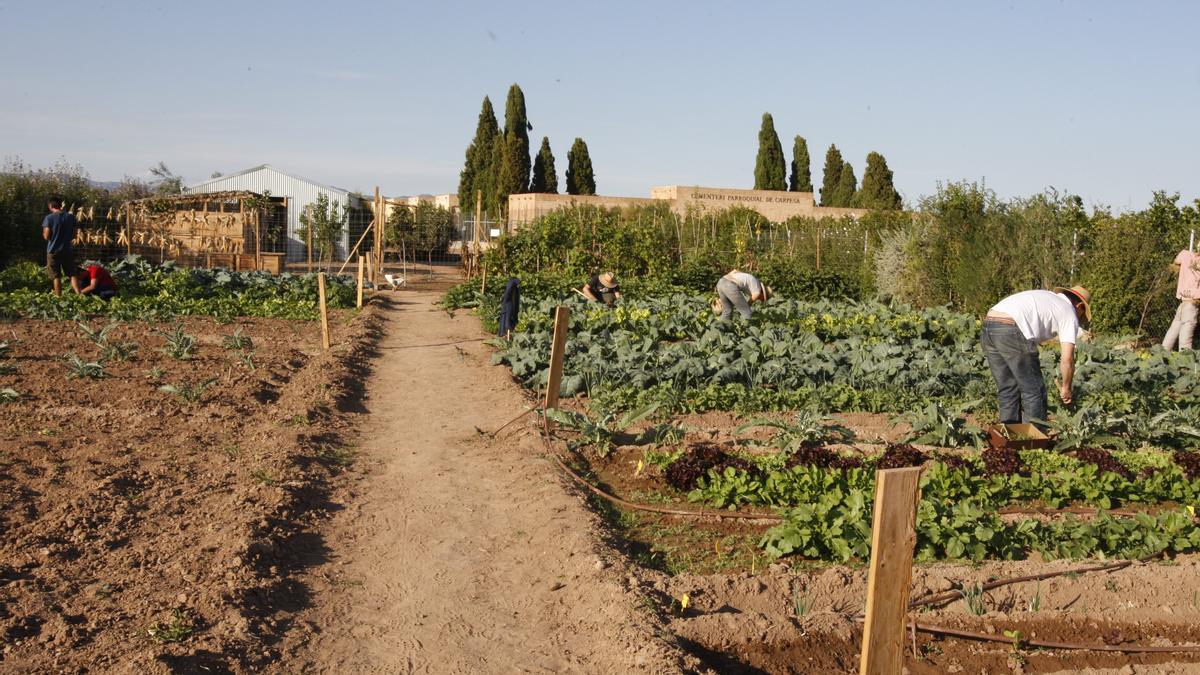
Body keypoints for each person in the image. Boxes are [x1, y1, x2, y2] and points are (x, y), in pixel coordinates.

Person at [981, 286, 1092, 427]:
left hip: (990, 324)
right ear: (1080, 306)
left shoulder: (1048, 298)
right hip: (1012, 328)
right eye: (1081, 315)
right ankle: (1034, 441)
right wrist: (1066, 387)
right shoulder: (1069, 312)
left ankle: (1009, 436)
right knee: (1034, 391)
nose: (1079, 318)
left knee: (1008, 388)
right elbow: (1067, 360)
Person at [1162, 247, 1200, 351]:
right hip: (1192, 303)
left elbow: (1176, 262)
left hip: (1183, 302)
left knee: (1174, 328)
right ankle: (1185, 363)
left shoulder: (1185, 254)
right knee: (1186, 336)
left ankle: (1162, 353)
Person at [42, 197, 78, 296]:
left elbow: (46, 236)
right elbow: (74, 234)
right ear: (60, 205)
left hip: (53, 251)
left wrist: (46, 234)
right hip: (67, 250)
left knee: (56, 275)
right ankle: (79, 295)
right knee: (72, 273)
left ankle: (59, 297)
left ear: (50, 206)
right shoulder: (71, 217)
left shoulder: (49, 218)